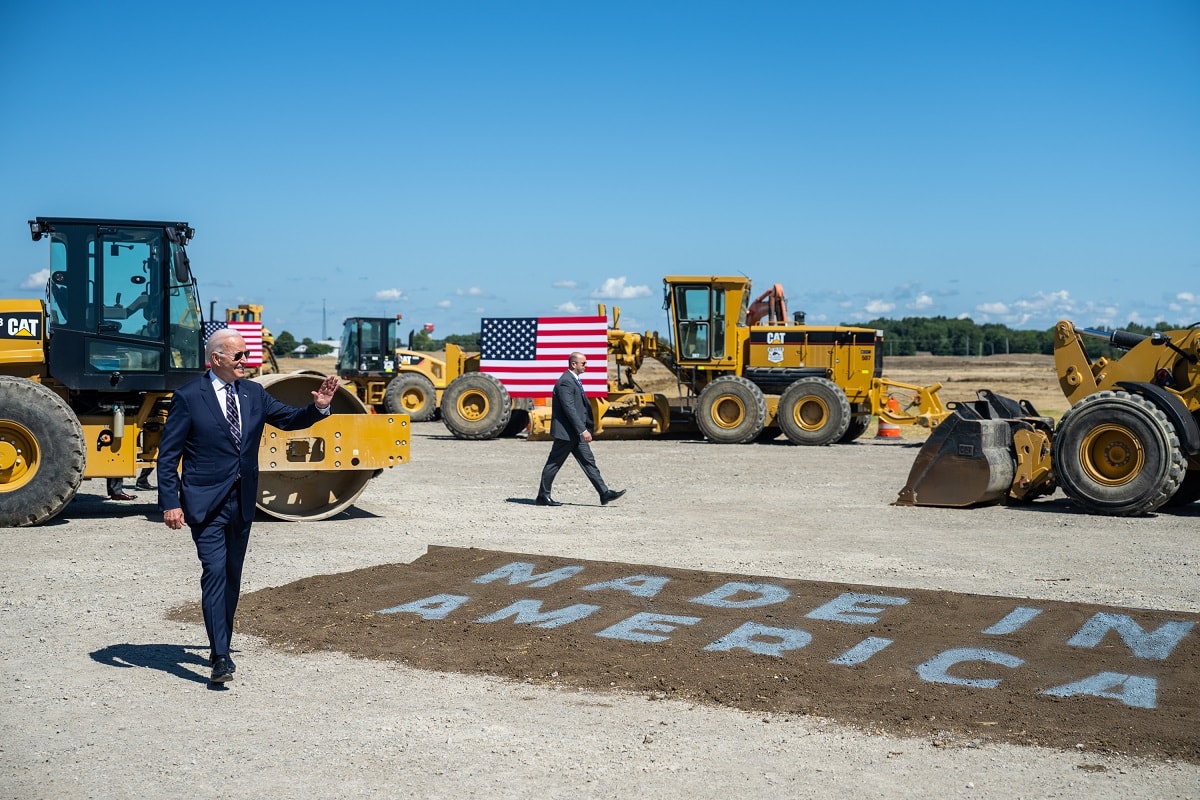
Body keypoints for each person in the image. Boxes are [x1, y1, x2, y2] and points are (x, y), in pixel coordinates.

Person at [157, 328, 339, 684]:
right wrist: (170, 502)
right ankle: (221, 656)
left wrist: (318, 407)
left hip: (242, 501)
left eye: (246, 355)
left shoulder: (254, 393)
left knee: (232, 578)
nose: (246, 361)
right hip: (204, 501)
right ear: (217, 359)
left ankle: (218, 643)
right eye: (238, 356)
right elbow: (168, 457)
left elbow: (289, 420)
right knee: (214, 573)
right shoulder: (188, 396)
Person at [535, 351, 625, 507]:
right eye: (583, 363)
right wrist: (582, 430)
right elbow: (569, 408)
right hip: (567, 433)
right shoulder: (566, 382)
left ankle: (604, 493)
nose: (586, 366)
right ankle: (543, 496)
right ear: (573, 364)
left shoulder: (573, 381)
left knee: (589, 462)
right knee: (554, 463)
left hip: (575, 434)